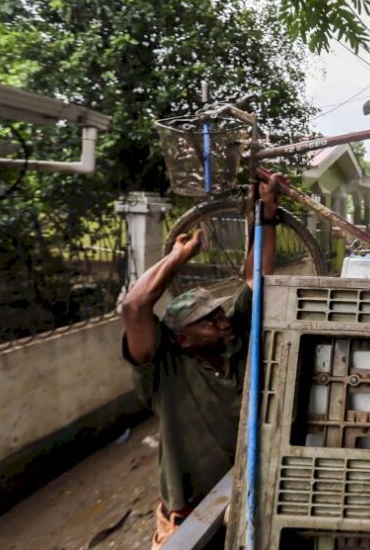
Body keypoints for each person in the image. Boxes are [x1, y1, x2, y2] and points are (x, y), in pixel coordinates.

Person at [121, 174, 286, 549]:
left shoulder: (238, 343)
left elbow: (256, 278)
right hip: (191, 514)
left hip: (247, 496)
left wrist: (266, 214)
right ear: (181, 338)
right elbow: (134, 308)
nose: (219, 318)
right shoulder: (166, 371)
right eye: (205, 320)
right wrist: (176, 258)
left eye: (217, 311)